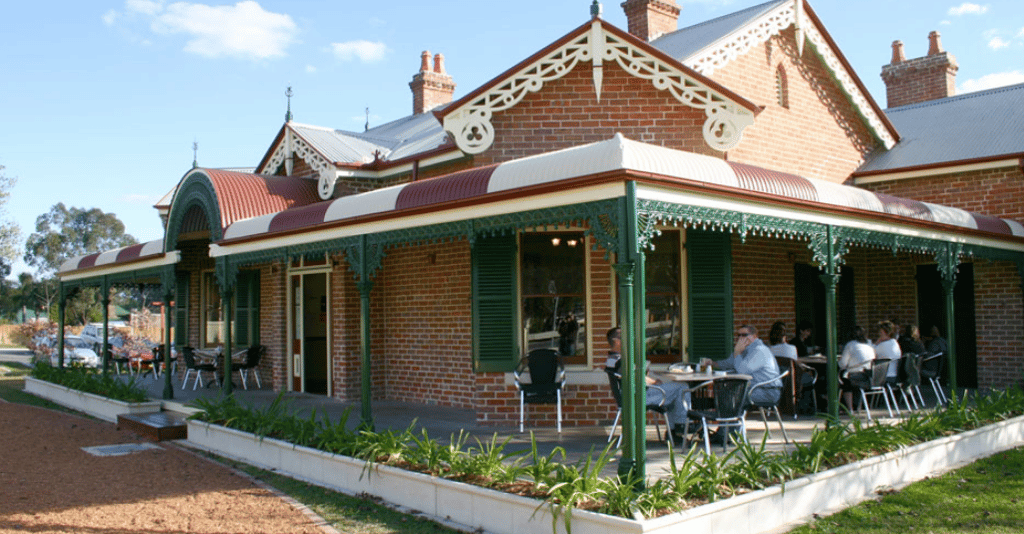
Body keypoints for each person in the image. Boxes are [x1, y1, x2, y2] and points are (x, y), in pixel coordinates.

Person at [604, 327, 691, 443]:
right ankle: (680, 426)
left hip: (629, 396)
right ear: (617, 341)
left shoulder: (612, 359)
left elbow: (633, 375)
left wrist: (647, 376)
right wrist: (654, 382)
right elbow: (635, 376)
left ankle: (673, 432)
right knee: (682, 387)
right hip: (638, 397)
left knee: (674, 394)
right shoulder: (621, 361)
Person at [702, 324, 782, 443]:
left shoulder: (759, 350)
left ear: (754, 336)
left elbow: (742, 370)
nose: (740, 338)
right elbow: (730, 363)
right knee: (727, 393)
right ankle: (725, 432)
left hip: (767, 391)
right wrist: (713, 363)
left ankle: (729, 434)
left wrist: (737, 352)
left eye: (744, 335)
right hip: (753, 388)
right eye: (738, 335)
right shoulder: (745, 349)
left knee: (734, 396)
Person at [838, 325, 875, 413]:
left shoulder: (850, 345)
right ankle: (857, 406)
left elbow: (842, 364)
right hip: (869, 376)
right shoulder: (869, 345)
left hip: (854, 377)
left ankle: (849, 409)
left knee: (843, 380)